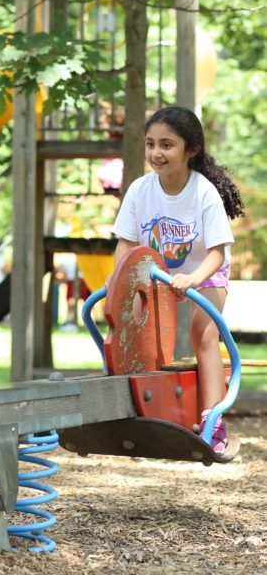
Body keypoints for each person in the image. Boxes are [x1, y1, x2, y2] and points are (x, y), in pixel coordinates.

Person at [109, 106, 245, 453]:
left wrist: (193, 278)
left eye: (167, 145)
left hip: (205, 272)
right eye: (151, 144)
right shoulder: (141, 190)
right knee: (142, 336)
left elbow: (216, 252)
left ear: (191, 150)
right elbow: (126, 242)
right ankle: (144, 415)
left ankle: (213, 421)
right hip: (157, 275)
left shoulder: (203, 192)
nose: (157, 153)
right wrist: (119, 280)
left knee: (203, 335)